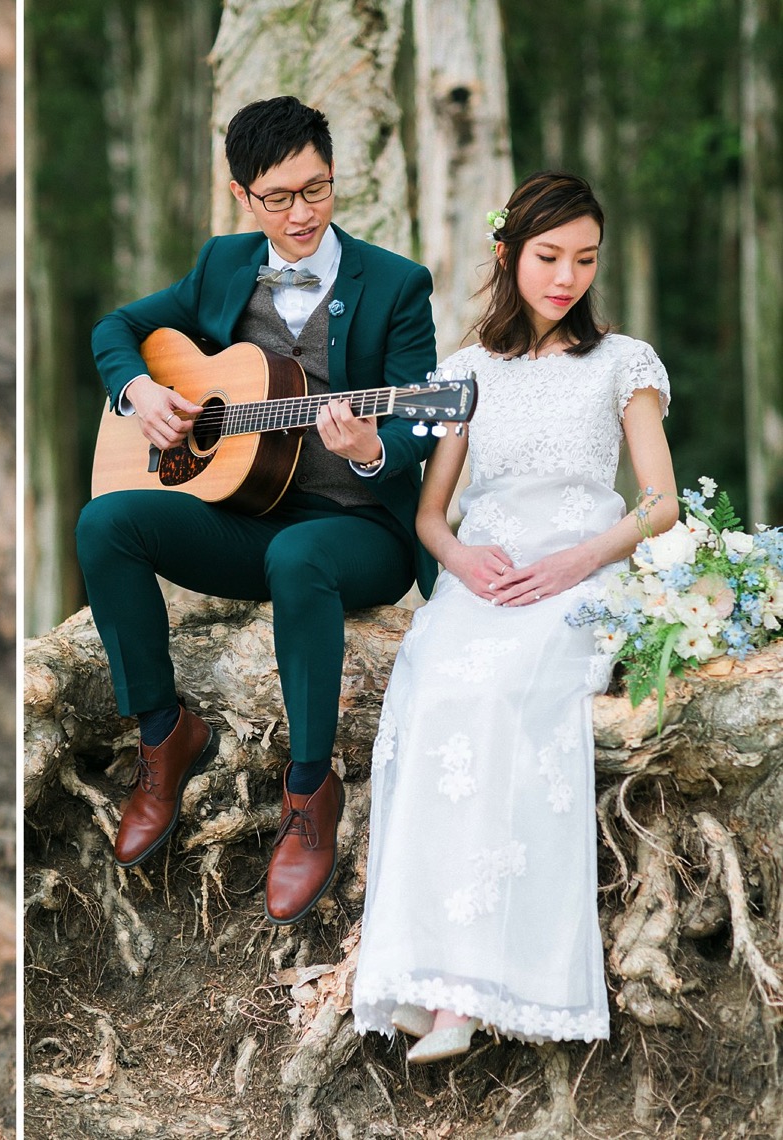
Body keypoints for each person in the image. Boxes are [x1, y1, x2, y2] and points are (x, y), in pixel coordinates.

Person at [78, 96, 440, 925]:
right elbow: (118, 328)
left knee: (301, 557)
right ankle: (164, 734)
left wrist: (371, 449)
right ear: (243, 196)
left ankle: (311, 794)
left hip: (358, 533)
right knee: (105, 523)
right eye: (279, 198)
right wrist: (138, 390)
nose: (303, 213)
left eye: (317, 189)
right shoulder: (222, 264)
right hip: (247, 517)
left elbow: (420, 418)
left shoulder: (395, 284)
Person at [350, 170, 679, 1062]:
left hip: (581, 569)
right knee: (431, 697)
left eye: (584, 259)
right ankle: (417, 971)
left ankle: (470, 990)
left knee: (503, 696)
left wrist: (579, 557)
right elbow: (431, 516)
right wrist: (460, 559)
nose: (565, 276)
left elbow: (661, 504)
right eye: (547, 257)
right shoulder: (463, 373)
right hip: (485, 575)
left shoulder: (623, 362)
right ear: (508, 255)